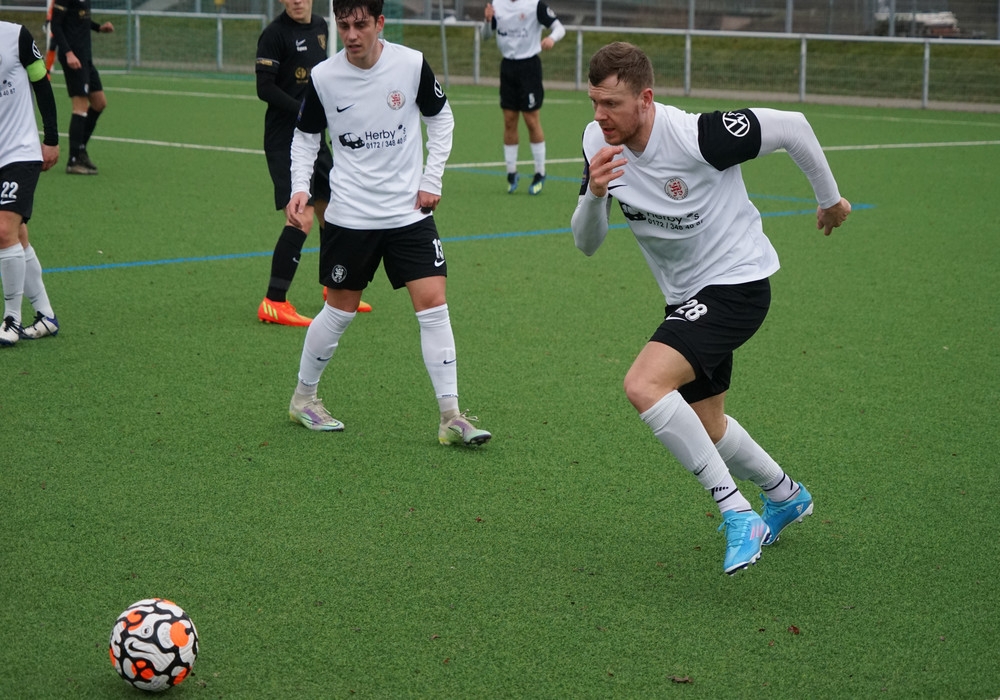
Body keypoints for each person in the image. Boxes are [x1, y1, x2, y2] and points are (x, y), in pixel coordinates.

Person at [571, 42, 851, 575]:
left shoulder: (697, 136)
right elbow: (587, 244)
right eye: (594, 102)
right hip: (686, 298)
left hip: (737, 284)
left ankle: (737, 512)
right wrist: (594, 195)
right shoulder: (596, 142)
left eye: (612, 104)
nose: (600, 115)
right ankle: (785, 494)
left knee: (644, 385)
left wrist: (829, 200)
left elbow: (792, 127)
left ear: (645, 99)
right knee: (707, 424)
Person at [285, 0, 492, 447]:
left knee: (434, 304)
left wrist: (431, 178)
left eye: (361, 24)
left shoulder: (411, 65)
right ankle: (303, 399)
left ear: (380, 23)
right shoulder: (324, 77)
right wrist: (299, 187)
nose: (351, 34)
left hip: (407, 214)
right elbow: (305, 138)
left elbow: (442, 120)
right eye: (344, 25)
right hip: (350, 216)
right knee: (338, 311)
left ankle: (451, 416)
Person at [255, 0, 371, 327]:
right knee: (301, 217)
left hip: (315, 138)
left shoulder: (322, 26)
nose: (297, 1)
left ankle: (333, 287)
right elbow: (264, 88)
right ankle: (274, 301)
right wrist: (305, 111)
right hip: (285, 140)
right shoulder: (274, 34)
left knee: (332, 212)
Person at [0, 21, 61, 346]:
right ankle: (46, 315)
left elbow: (42, 84)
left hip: (20, 152)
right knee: (17, 234)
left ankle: (11, 319)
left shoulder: (16, 36)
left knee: (3, 231)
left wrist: (51, 138)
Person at [482, 0, 565, 195]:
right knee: (509, 120)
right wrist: (487, 21)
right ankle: (511, 173)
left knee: (531, 120)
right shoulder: (496, 4)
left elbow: (560, 28)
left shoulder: (534, 5)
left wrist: (551, 38)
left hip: (529, 67)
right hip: (507, 67)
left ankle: (540, 172)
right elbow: (485, 36)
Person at [49, 0, 114, 175]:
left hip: (85, 57)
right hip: (73, 57)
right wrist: (68, 53)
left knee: (99, 103)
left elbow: (80, 19)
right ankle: (73, 160)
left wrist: (99, 28)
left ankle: (80, 149)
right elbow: (55, 25)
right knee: (80, 107)